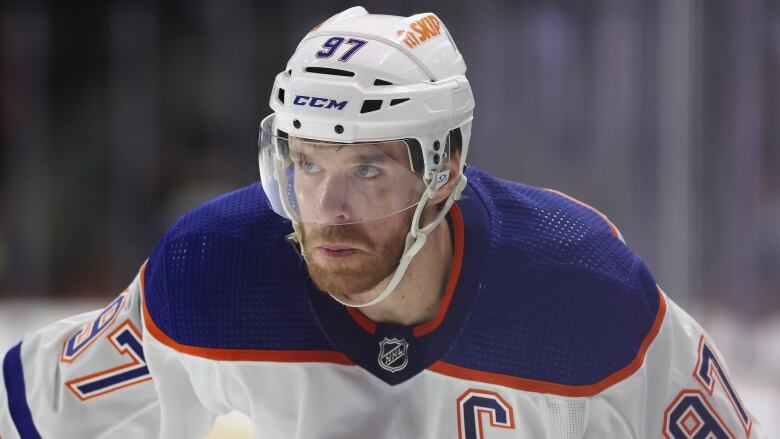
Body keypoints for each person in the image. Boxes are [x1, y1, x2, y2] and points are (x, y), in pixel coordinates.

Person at [0, 7, 765, 439]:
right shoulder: (210, 271)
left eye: (368, 169)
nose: (327, 209)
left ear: (445, 171)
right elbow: (32, 408)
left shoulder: (582, 286)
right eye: (306, 164)